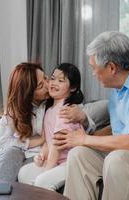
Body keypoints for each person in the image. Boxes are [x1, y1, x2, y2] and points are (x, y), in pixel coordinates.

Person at [53, 31, 129, 200]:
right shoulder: (117, 92)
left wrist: (84, 139)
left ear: (111, 68)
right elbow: (118, 129)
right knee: (79, 154)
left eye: (94, 68)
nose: (93, 73)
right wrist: (82, 137)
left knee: (118, 159)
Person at [0, 62, 95, 182]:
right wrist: (36, 141)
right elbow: (4, 141)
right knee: (10, 154)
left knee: (28, 171)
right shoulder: (15, 111)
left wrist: (83, 118)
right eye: (40, 86)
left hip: (47, 153)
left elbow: (88, 127)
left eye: (46, 78)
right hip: (26, 149)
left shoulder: (59, 99)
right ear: (28, 94)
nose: (48, 84)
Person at [18, 63, 90, 191]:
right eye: (52, 78)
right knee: (24, 173)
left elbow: (57, 144)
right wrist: (42, 156)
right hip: (57, 160)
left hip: (70, 162)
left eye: (61, 80)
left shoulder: (66, 110)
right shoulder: (49, 110)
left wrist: (47, 169)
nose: (53, 83)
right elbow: (48, 142)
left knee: (42, 181)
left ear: (72, 88)